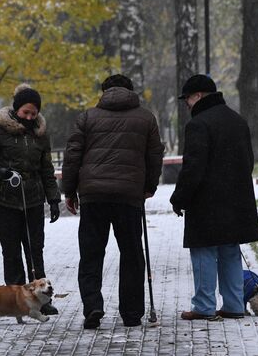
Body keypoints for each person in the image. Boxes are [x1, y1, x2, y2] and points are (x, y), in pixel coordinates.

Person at [61, 74, 164, 329]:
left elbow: (73, 155)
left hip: (94, 195)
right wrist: (149, 186)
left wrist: (69, 191)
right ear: (130, 90)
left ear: (104, 91)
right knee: (131, 254)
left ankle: (93, 307)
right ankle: (131, 313)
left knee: (91, 254)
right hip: (129, 196)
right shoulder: (146, 117)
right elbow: (154, 156)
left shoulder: (87, 117)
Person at [170, 74, 258, 320]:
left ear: (198, 96)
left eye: (187, 98)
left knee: (203, 252)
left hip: (207, 202)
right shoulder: (238, 120)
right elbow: (249, 161)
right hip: (236, 199)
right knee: (230, 251)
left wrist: (179, 198)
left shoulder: (199, 124)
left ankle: (204, 306)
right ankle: (234, 305)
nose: (187, 104)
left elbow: (193, 167)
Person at [0, 83, 61, 316]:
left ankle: (41, 299)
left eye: (34, 113)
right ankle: (16, 300)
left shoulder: (40, 135)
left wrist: (53, 199)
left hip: (33, 199)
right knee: (11, 251)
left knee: (35, 249)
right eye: (26, 112)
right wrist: (0, 170)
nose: (30, 117)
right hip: (5, 200)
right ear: (16, 109)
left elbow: (46, 168)